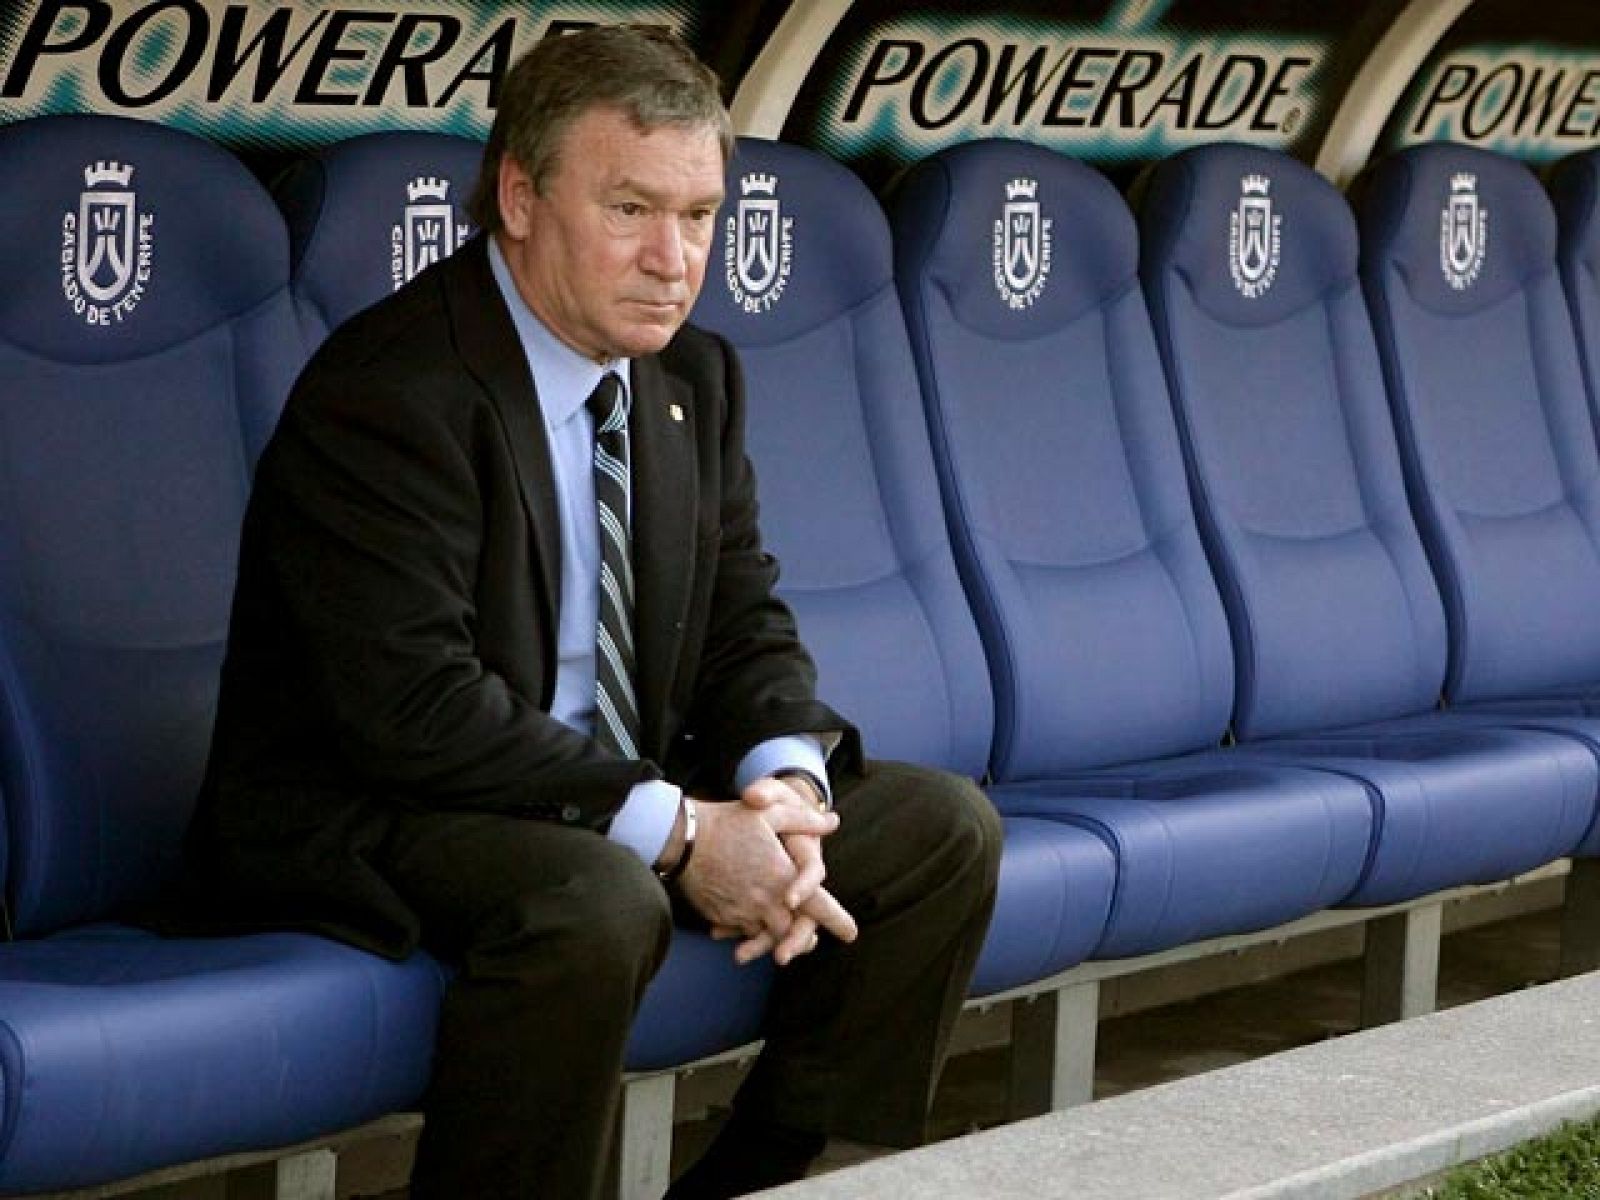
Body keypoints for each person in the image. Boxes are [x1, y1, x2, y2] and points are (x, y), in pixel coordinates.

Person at [184, 23, 1001, 1200]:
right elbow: (413, 711)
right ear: (518, 197)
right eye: (631, 210)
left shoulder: (692, 378)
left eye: (701, 215)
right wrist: (679, 833)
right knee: (596, 899)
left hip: (600, 794)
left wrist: (786, 789)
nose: (674, 258)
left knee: (940, 832)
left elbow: (741, 625)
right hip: (389, 806)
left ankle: (783, 1179)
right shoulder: (391, 392)